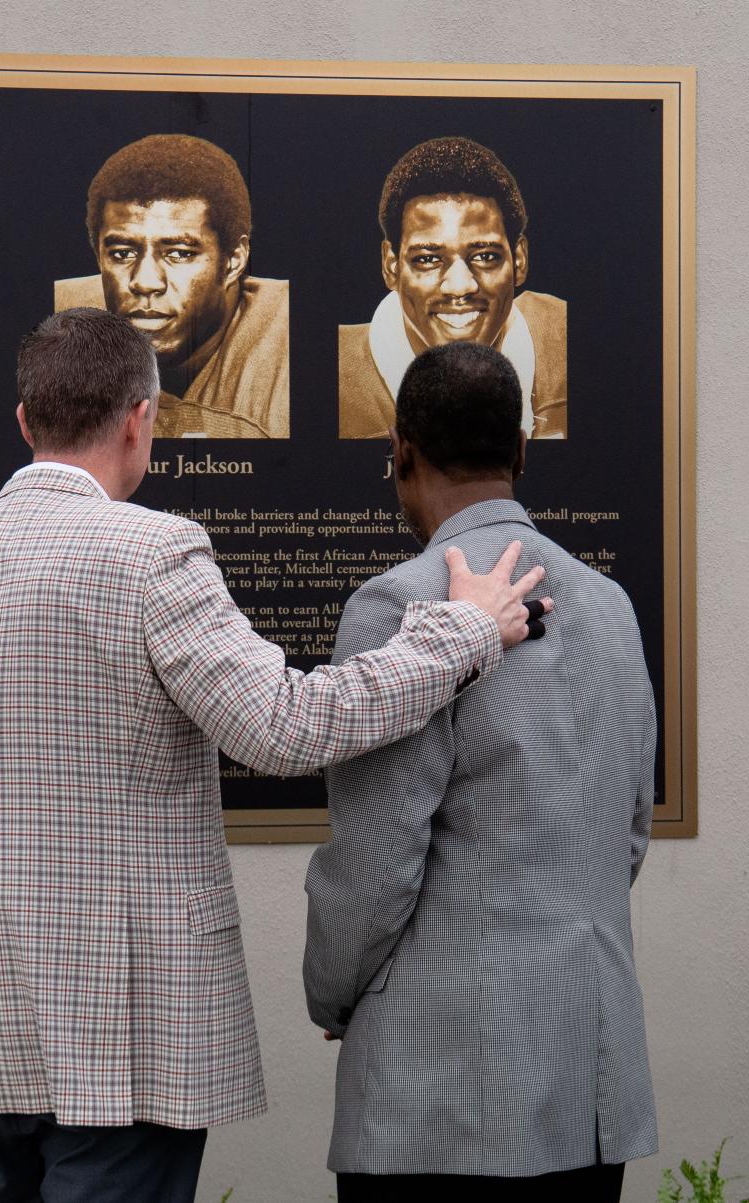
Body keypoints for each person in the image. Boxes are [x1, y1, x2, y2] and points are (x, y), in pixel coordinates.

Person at [0, 308, 551, 1203]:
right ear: (141, 417)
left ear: (26, 422)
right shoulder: (154, 552)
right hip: (122, 1033)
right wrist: (462, 632)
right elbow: (286, 726)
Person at [305, 341, 656, 1201]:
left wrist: (330, 990)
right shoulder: (612, 607)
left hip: (444, 1085)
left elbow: (374, 863)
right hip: (588, 1070)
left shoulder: (397, 604)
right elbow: (631, 831)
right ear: (523, 452)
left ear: (402, 453)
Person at [55, 133, 289, 439]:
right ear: (98, 256)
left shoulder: (290, 352)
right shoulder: (60, 325)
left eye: (179, 254)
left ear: (233, 261)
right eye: (122, 253)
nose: (145, 282)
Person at [339, 136, 567, 441]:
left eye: (485, 257)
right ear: (391, 266)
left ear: (520, 260)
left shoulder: (563, 338)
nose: (460, 286)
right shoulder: (335, 375)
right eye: (428, 259)